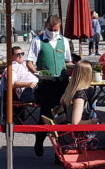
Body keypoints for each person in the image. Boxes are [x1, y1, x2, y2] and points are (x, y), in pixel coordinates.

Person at [29, 14, 75, 156]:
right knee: (45, 115)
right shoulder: (38, 41)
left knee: (61, 117)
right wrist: (36, 72)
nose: (54, 32)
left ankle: (59, 151)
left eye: (56, 30)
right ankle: (39, 140)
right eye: (51, 29)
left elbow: (67, 61)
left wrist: (76, 67)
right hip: (46, 84)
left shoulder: (64, 41)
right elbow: (29, 61)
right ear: (46, 27)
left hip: (61, 84)